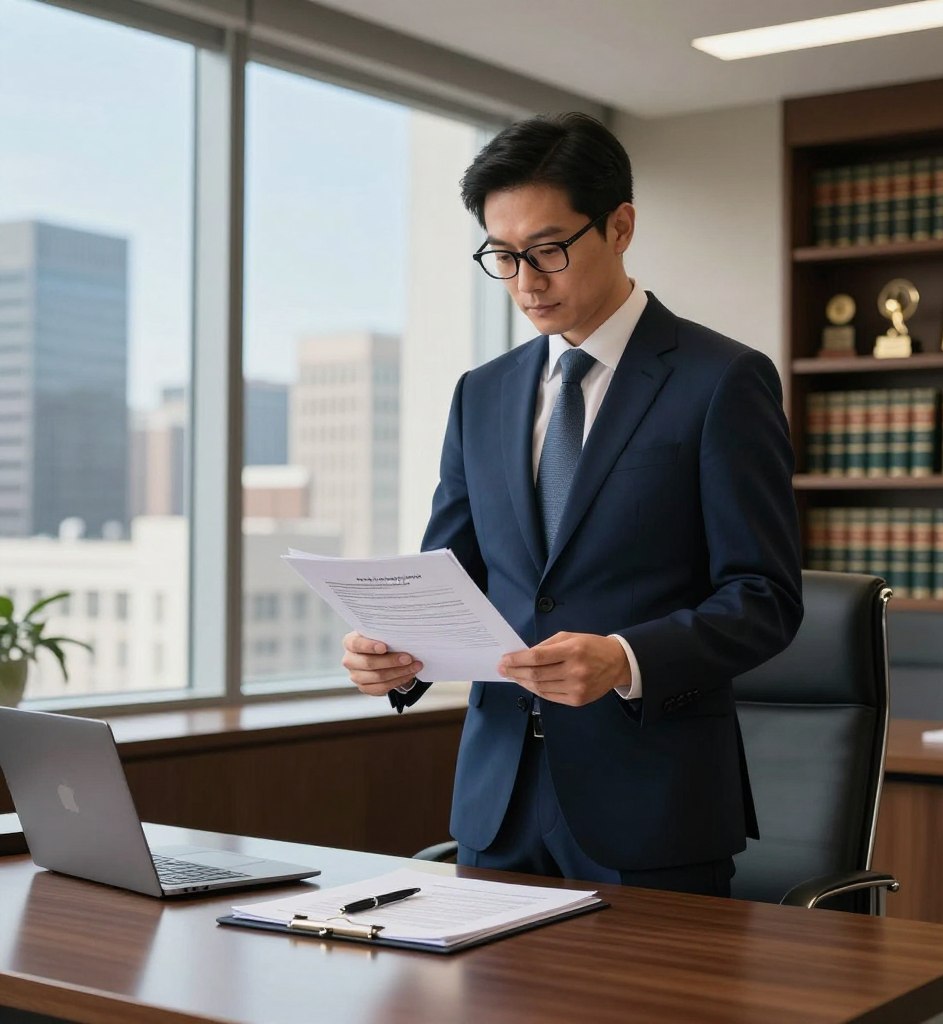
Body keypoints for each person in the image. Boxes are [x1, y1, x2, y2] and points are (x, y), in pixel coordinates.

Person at [343, 112, 803, 896]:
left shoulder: (721, 380)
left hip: (653, 806)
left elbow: (764, 598)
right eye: (503, 255)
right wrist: (396, 656)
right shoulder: (480, 394)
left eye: (548, 250)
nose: (526, 280)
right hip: (498, 805)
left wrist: (625, 658)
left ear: (620, 226)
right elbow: (451, 572)